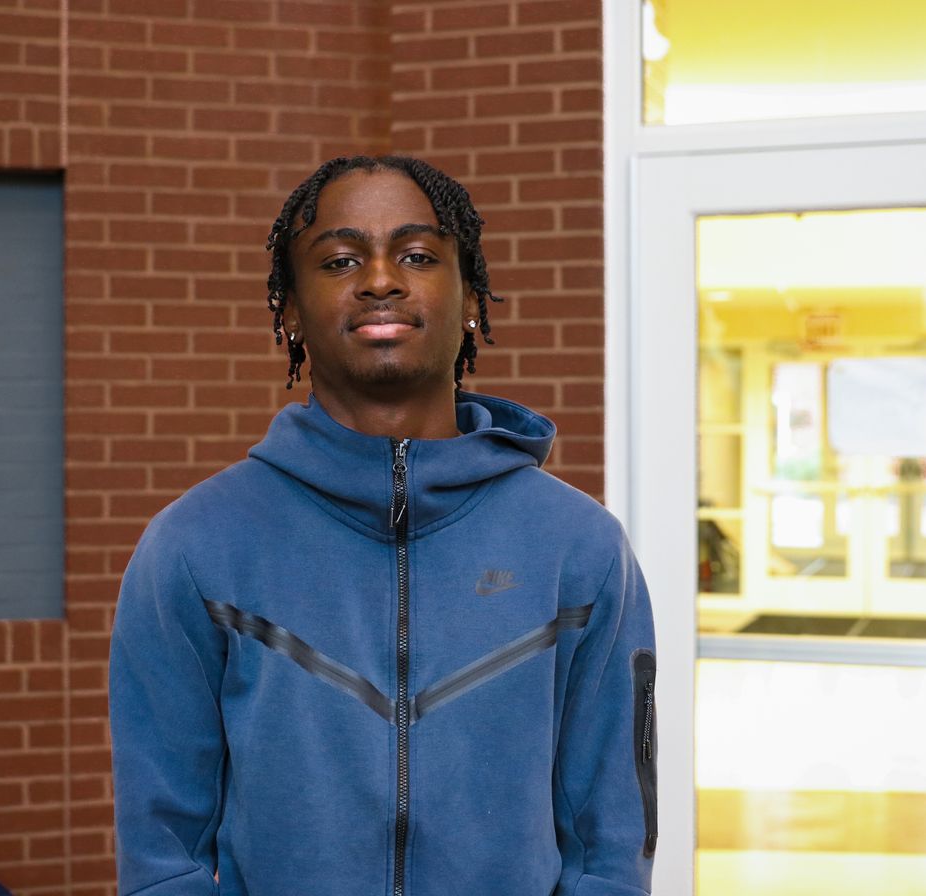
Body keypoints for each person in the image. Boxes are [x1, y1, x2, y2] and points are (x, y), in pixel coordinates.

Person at [109, 155, 657, 896]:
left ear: (470, 297)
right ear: (292, 309)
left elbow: (611, 841)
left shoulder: (579, 547)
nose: (379, 280)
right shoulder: (195, 547)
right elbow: (160, 850)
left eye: (418, 255)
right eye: (339, 259)